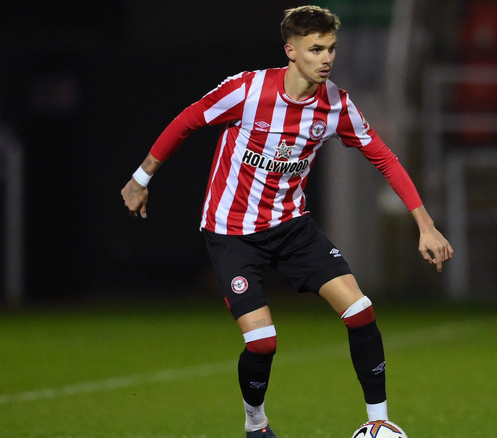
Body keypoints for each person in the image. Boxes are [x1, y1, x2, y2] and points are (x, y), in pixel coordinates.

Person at [121, 5, 453, 437]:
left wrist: (425, 225)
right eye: (316, 49)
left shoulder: (336, 105)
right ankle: (255, 423)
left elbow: (385, 159)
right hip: (232, 232)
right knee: (263, 343)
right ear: (291, 51)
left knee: (360, 311)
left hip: (292, 227)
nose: (326, 58)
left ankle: (379, 424)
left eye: (331, 48)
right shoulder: (248, 89)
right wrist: (140, 178)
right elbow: (187, 120)